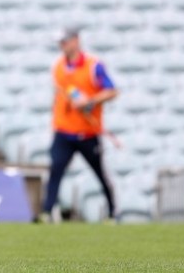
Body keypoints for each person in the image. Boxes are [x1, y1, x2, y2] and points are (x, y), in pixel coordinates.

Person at [39, 27, 119, 223]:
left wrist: (90, 101)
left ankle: (111, 213)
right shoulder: (58, 67)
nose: (62, 46)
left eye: (65, 41)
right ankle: (47, 212)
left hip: (87, 133)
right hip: (64, 131)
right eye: (60, 42)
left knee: (100, 173)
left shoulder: (94, 66)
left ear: (76, 40)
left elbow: (111, 91)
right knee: (55, 170)